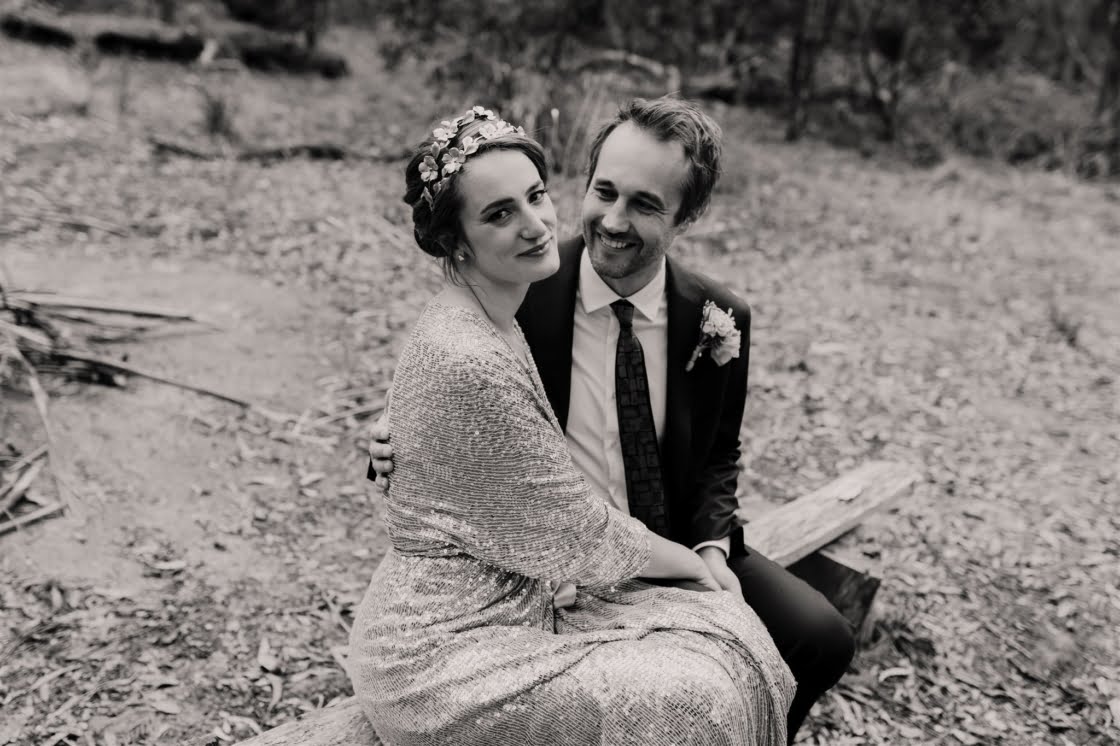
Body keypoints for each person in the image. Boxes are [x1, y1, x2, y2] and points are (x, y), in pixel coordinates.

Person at [368, 97, 855, 742]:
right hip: (556, 555)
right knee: (692, 689)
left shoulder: (719, 318)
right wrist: (388, 441)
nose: (614, 221)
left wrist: (709, 550)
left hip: (671, 540)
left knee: (819, 636)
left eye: (645, 205)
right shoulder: (521, 287)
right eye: (604, 192)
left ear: (687, 215)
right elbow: (450, 398)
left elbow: (719, 456)